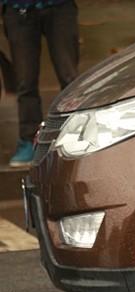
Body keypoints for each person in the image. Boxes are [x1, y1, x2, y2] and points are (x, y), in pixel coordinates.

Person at [1, 0, 78, 167]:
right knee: (25, 81)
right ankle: (28, 141)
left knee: (70, 79)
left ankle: (74, 135)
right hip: (18, 9)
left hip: (60, 7)